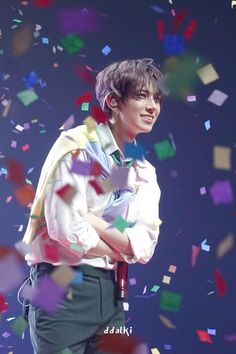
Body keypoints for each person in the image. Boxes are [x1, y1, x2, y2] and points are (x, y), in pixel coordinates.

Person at [21, 58, 164, 354]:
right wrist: (121, 248)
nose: (152, 106)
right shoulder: (77, 146)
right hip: (59, 283)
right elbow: (67, 230)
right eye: (141, 96)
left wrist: (92, 220)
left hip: (111, 292)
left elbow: (144, 245)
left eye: (157, 98)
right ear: (113, 101)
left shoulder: (142, 171)